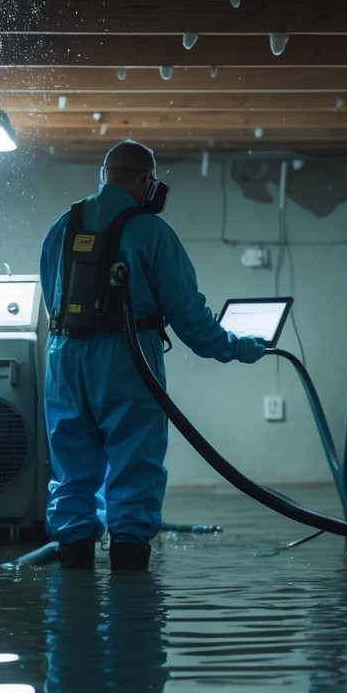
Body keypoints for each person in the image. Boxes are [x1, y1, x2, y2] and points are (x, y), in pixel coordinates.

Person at [40, 140, 267, 572]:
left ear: (104, 174)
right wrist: (236, 347)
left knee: (72, 468)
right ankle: (128, 579)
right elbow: (191, 319)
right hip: (126, 361)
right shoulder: (151, 232)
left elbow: (52, 295)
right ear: (146, 181)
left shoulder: (61, 227)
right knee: (133, 462)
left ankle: (73, 569)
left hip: (64, 358)